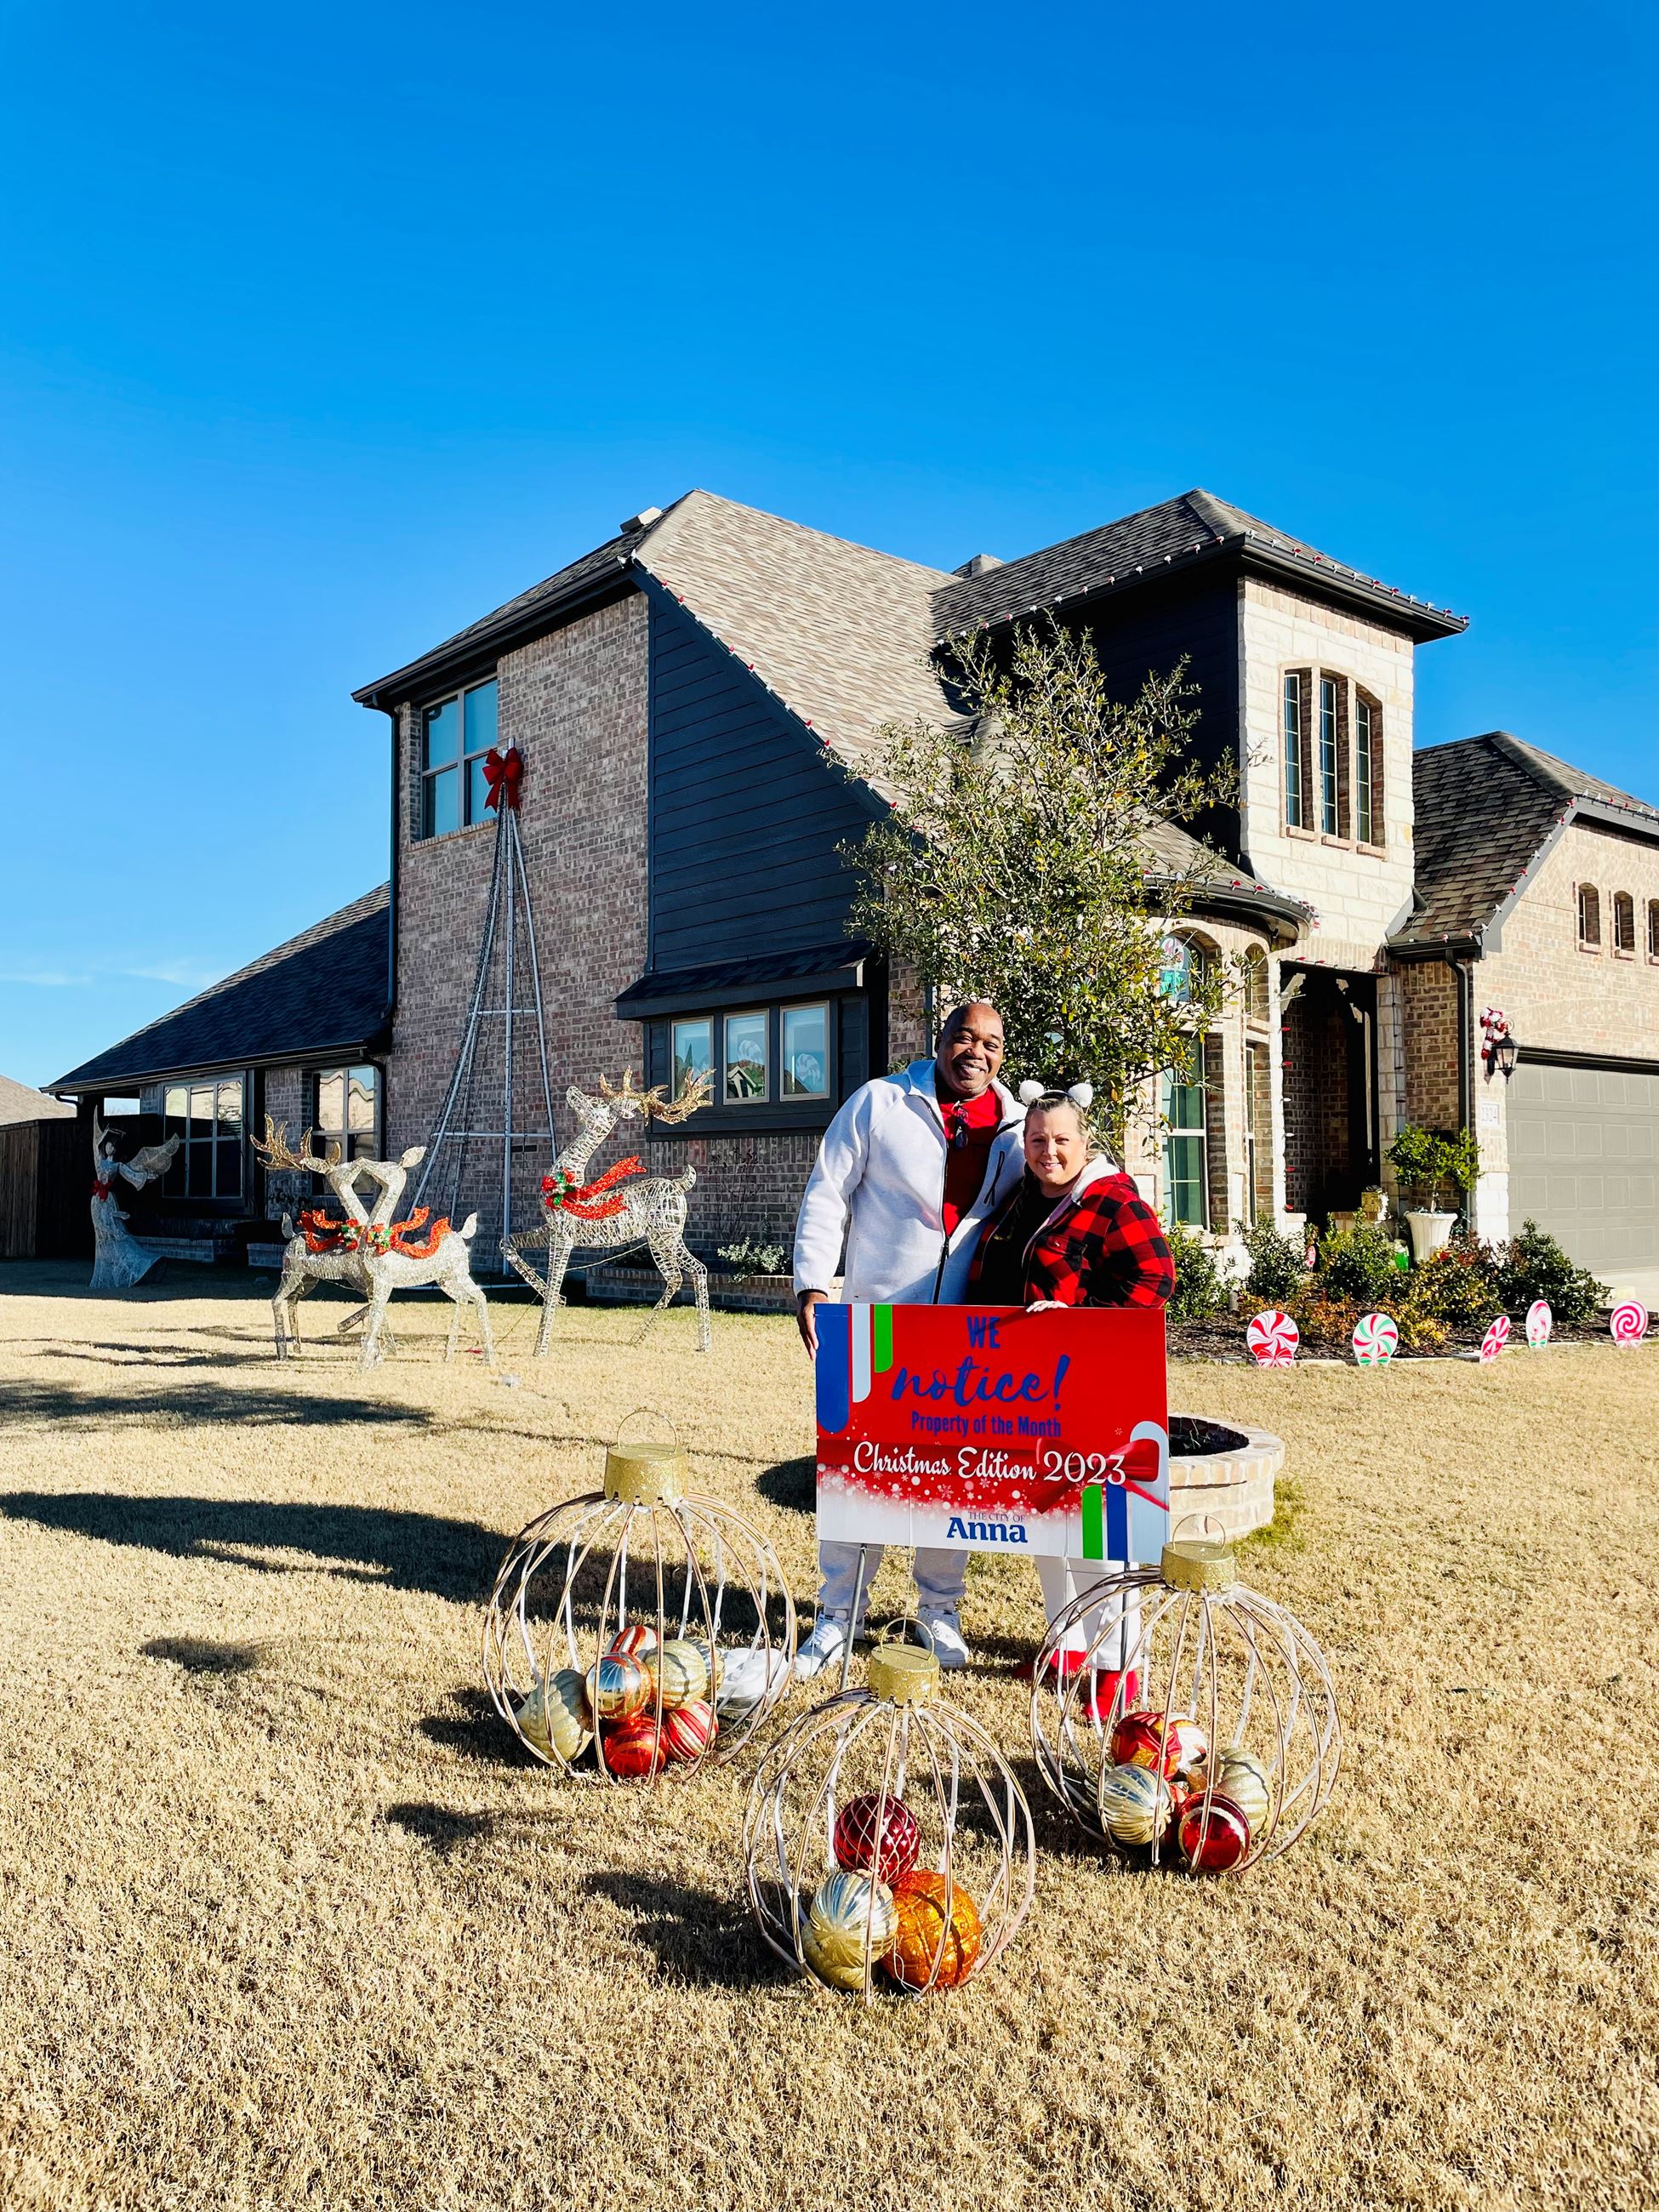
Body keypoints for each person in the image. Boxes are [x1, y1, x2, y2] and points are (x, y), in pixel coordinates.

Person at [791, 1001, 1026, 1677]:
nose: (975, 1052)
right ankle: (838, 1615)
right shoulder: (880, 1103)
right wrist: (814, 1284)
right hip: (874, 1322)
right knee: (856, 1471)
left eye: (990, 1041)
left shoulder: (1016, 1127)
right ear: (940, 1040)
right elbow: (827, 1191)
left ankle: (939, 1611)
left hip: (964, 1331)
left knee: (949, 1476)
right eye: (963, 1038)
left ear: (1001, 1053)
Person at [967, 1080, 1174, 1704]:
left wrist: (1081, 1321)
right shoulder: (1024, 1197)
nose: (1047, 1151)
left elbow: (1156, 1279)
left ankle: (1118, 1666)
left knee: (1097, 1530)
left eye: (1060, 1140)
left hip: (1093, 1386)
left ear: (1085, 1143)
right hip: (1027, 1391)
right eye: (1037, 1140)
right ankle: (1068, 1643)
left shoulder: (1113, 1203)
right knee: (1046, 1522)